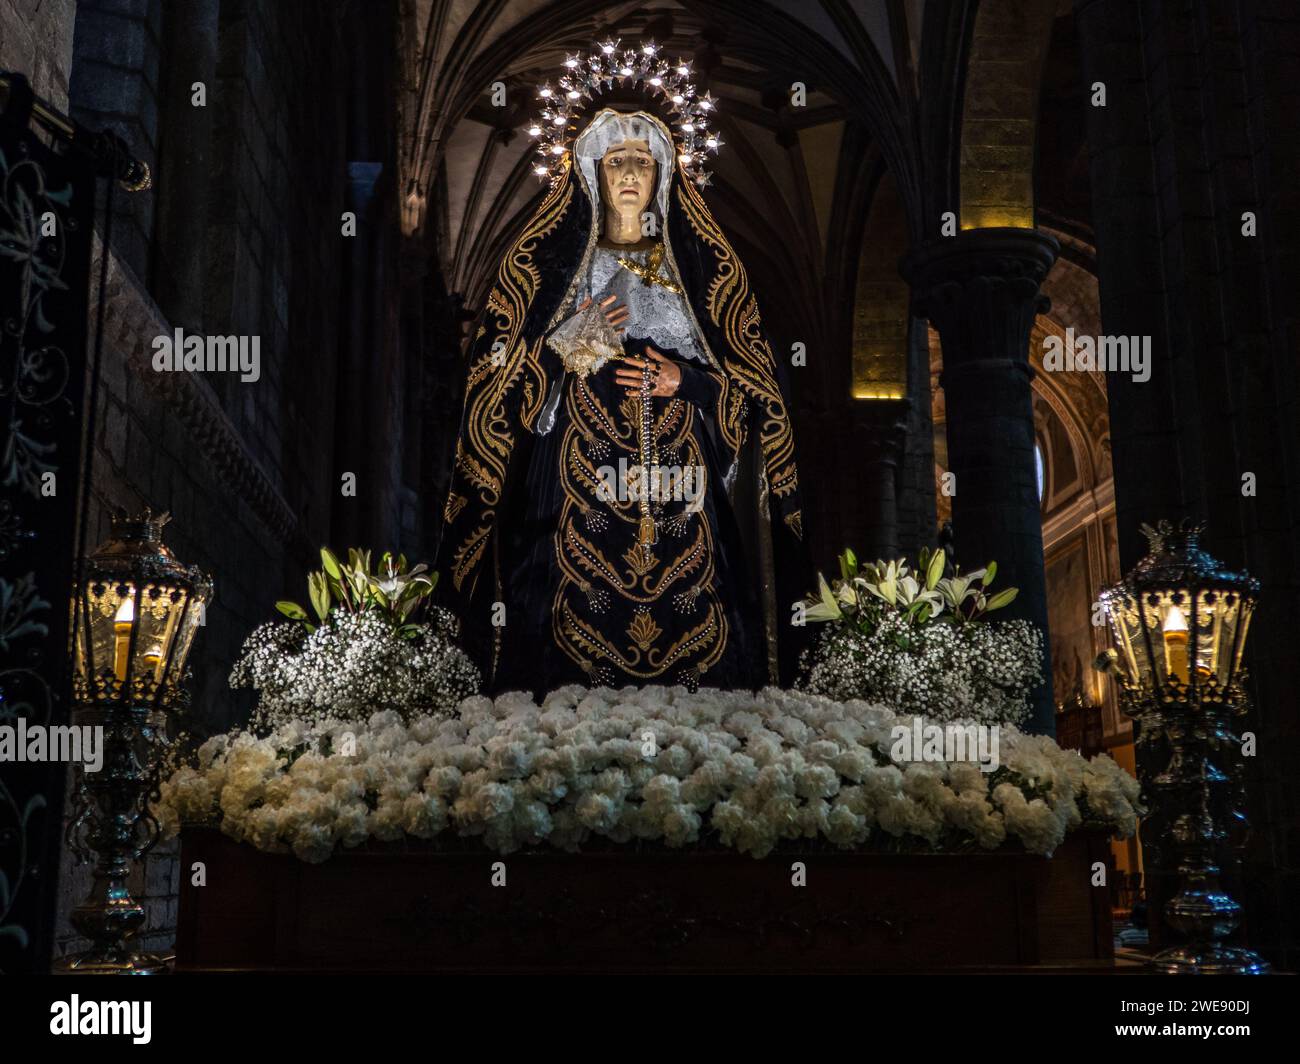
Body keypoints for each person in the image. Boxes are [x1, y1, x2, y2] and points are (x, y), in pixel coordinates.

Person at [438, 104, 806, 694]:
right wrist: (569, 345)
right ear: (593, 172)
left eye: (643, 160)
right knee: (565, 600)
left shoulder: (706, 272)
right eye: (616, 161)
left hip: (682, 487)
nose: (630, 172)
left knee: (697, 607)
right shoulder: (542, 270)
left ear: (662, 174)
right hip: (568, 482)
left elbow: (754, 392)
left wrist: (686, 382)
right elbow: (495, 380)